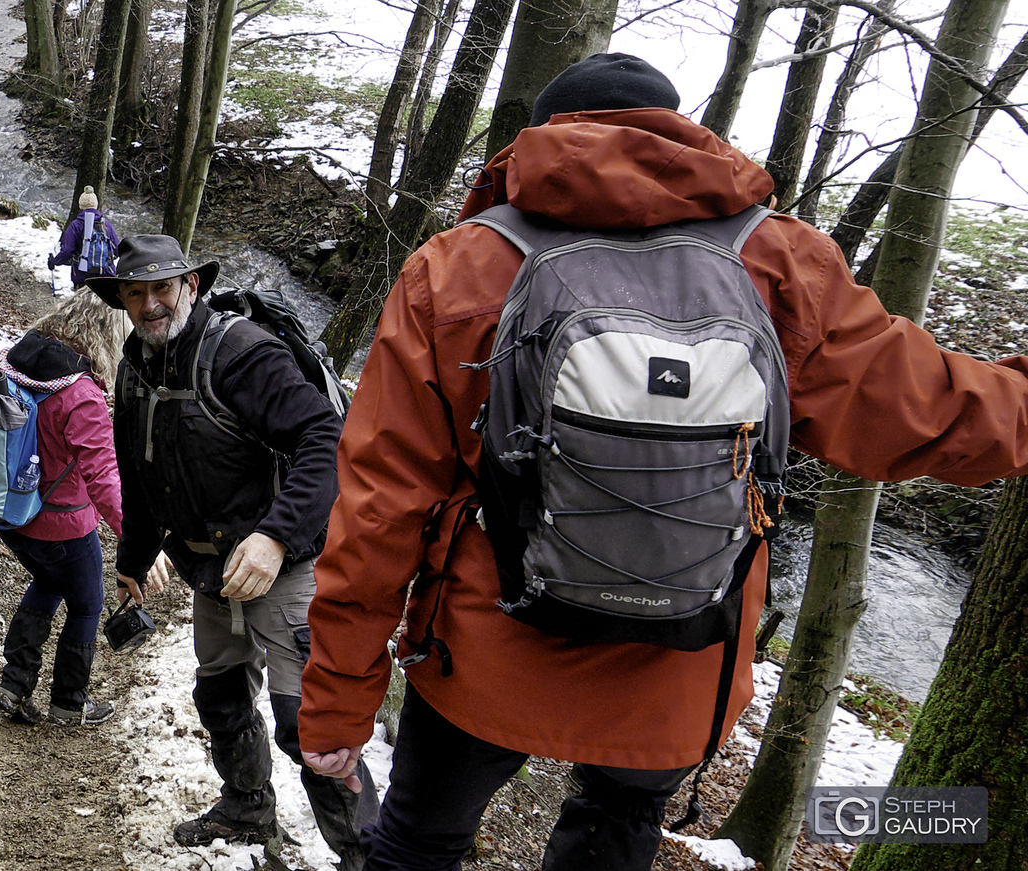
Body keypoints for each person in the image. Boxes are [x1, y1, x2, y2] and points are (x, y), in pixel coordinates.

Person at [298, 53, 1028, 871]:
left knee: (418, 842)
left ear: (539, 135)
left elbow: (379, 507)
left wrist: (337, 703)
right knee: (616, 831)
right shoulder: (779, 263)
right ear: (682, 129)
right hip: (681, 660)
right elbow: (928, 411)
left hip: (485, 650)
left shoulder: (458, 264)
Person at [89, 235, 377, 862]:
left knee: (313, 728)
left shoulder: (242, 354)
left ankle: (368, 857)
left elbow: (325, 439)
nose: (148, 304)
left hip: (289, 566)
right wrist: (133, 560)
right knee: (220, 695)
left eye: (162, 288)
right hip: (210, 569)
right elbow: (139, 473)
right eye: (134, 293)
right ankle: (246, 808)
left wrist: (276, 536)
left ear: (191, 286)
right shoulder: (134, 366)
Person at [0, 289, 137, 727]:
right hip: (61, 524)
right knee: (88, 604)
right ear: (108, 336)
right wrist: (138, 538)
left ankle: (13, 685)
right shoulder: (81, 394)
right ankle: (69, 702)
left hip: (10, 512)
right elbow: (104, 478)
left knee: (50, 583)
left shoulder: (16, 360)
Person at [48, 187, 120, 291]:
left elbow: (67, 251)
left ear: (81, 205)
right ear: (96, 204)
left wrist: (54, 262)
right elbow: (117, 250)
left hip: (83, 277)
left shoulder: (75, 225)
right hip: (106, 275)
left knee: (83, 306)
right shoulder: (106, 224)